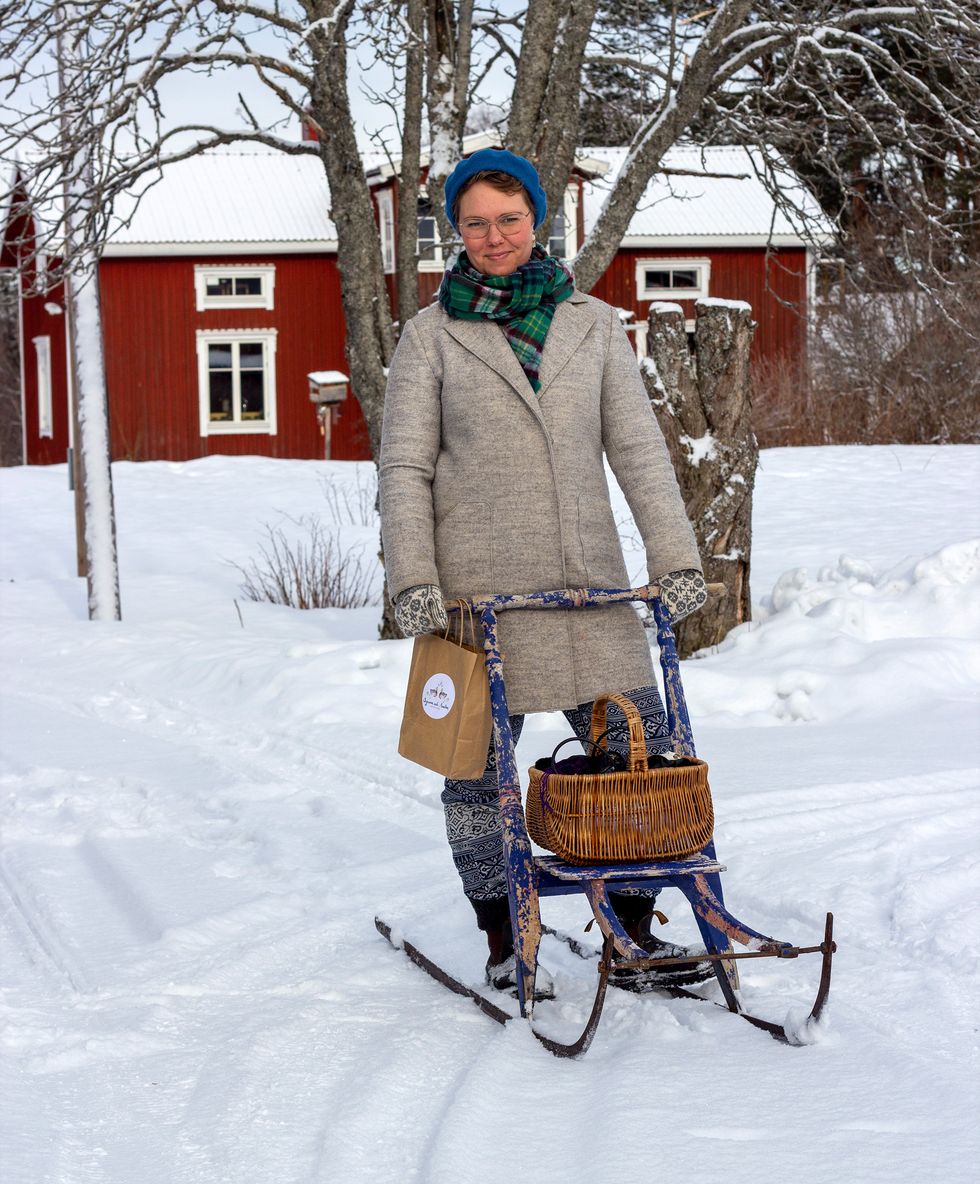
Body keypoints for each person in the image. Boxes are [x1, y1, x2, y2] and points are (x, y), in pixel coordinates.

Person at [380, 147, 711, 997]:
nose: (494, 238)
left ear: (538, 221)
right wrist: (412, 577)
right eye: (476, 223)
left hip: (589, 590)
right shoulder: (430, 338)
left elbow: (639, 453)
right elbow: (406, 468)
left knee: (642, 754)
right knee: (477, 776)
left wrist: (675, 557)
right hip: (476, 600)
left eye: (510, 220)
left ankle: (632, 930)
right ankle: (502, 933)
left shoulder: (594, 327)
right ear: (456, 229)